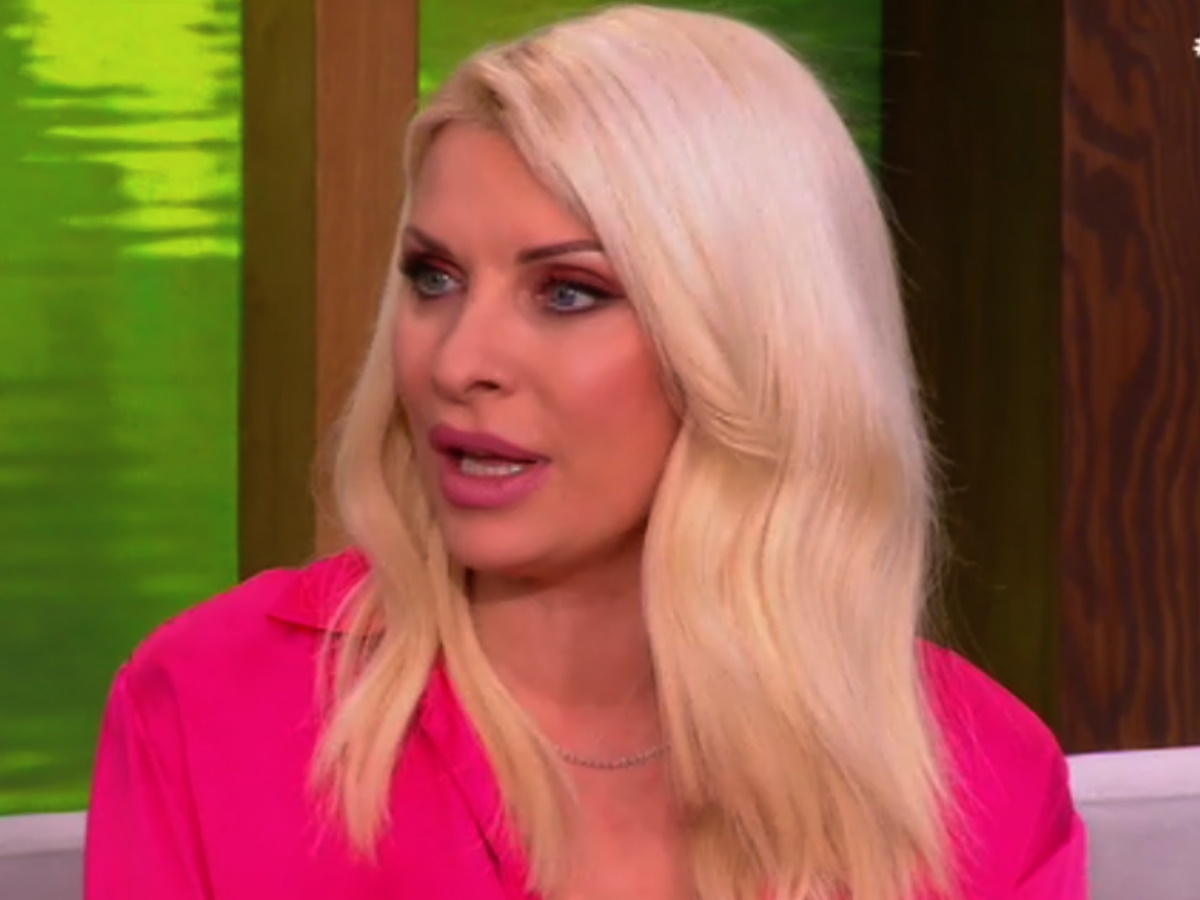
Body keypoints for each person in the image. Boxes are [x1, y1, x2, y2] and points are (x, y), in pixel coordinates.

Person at [84, 5, 1087, 899]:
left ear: (751, 345)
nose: (459, 361)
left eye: (568, 293)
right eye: (434, 278)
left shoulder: (977, 780)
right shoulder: (214, 710)